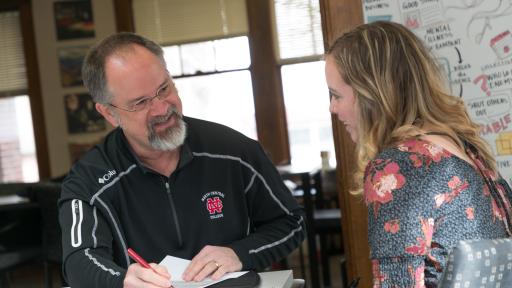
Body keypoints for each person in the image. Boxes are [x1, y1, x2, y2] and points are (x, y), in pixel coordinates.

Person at [58, 32, 305, 288]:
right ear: (109, 113)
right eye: (141, 102)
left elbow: (291, 223)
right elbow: (78, 262)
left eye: (164, 88)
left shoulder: (235, 150)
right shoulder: (89, 181)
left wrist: (239, 253)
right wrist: (122, 281)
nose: (162, 109)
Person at [325, 21, 512, 287]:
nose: (332, 108)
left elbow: (398, 283)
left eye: (336, 95)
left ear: (371, 93)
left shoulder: (399, 166)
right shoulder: (462, 146)